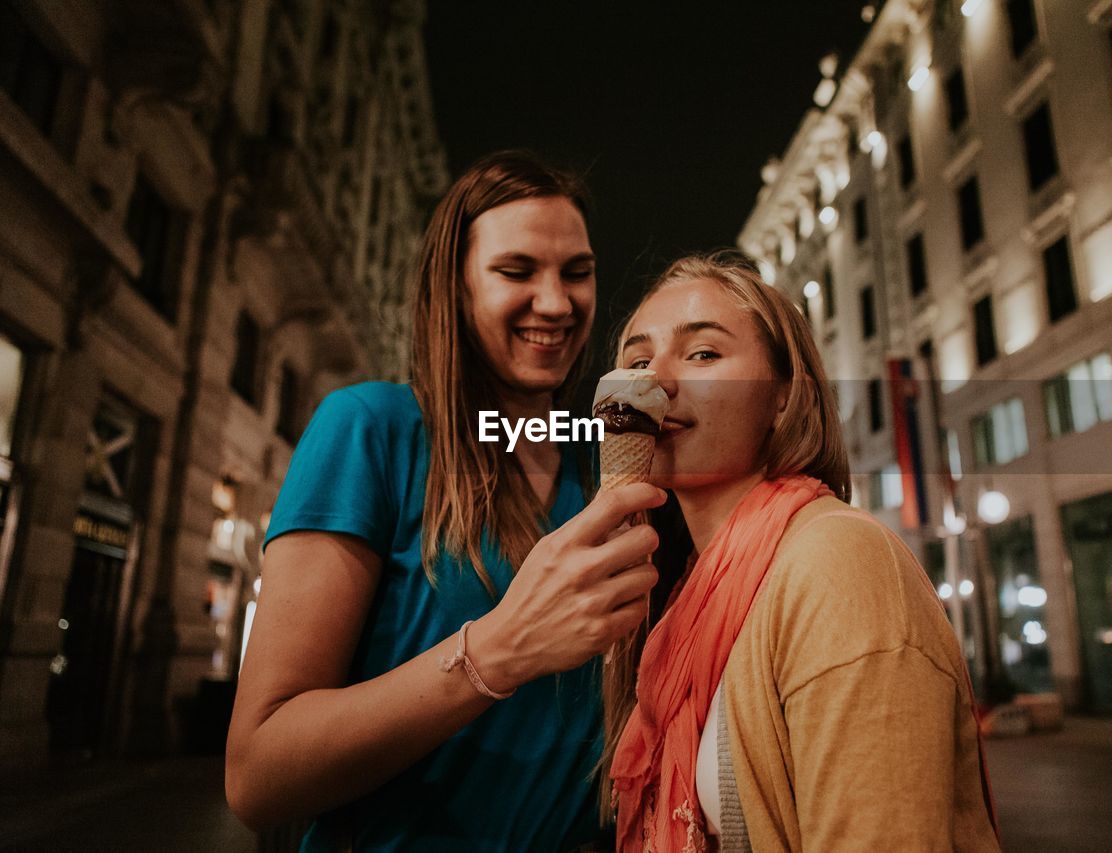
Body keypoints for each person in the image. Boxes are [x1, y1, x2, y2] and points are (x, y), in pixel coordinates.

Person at [225, 151, 666, 851]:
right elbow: (259, 774)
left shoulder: (600, 468)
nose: (556, 302)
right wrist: (498, 649)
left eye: (576, 272)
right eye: (516, 271)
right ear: (455, 288)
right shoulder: (372, 429)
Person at [602, 253, 999, 851]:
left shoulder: (838, 562)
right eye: (637, 360)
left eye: (703, 353)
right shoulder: (680, 592)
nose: (653, 380)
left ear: (784, 398)